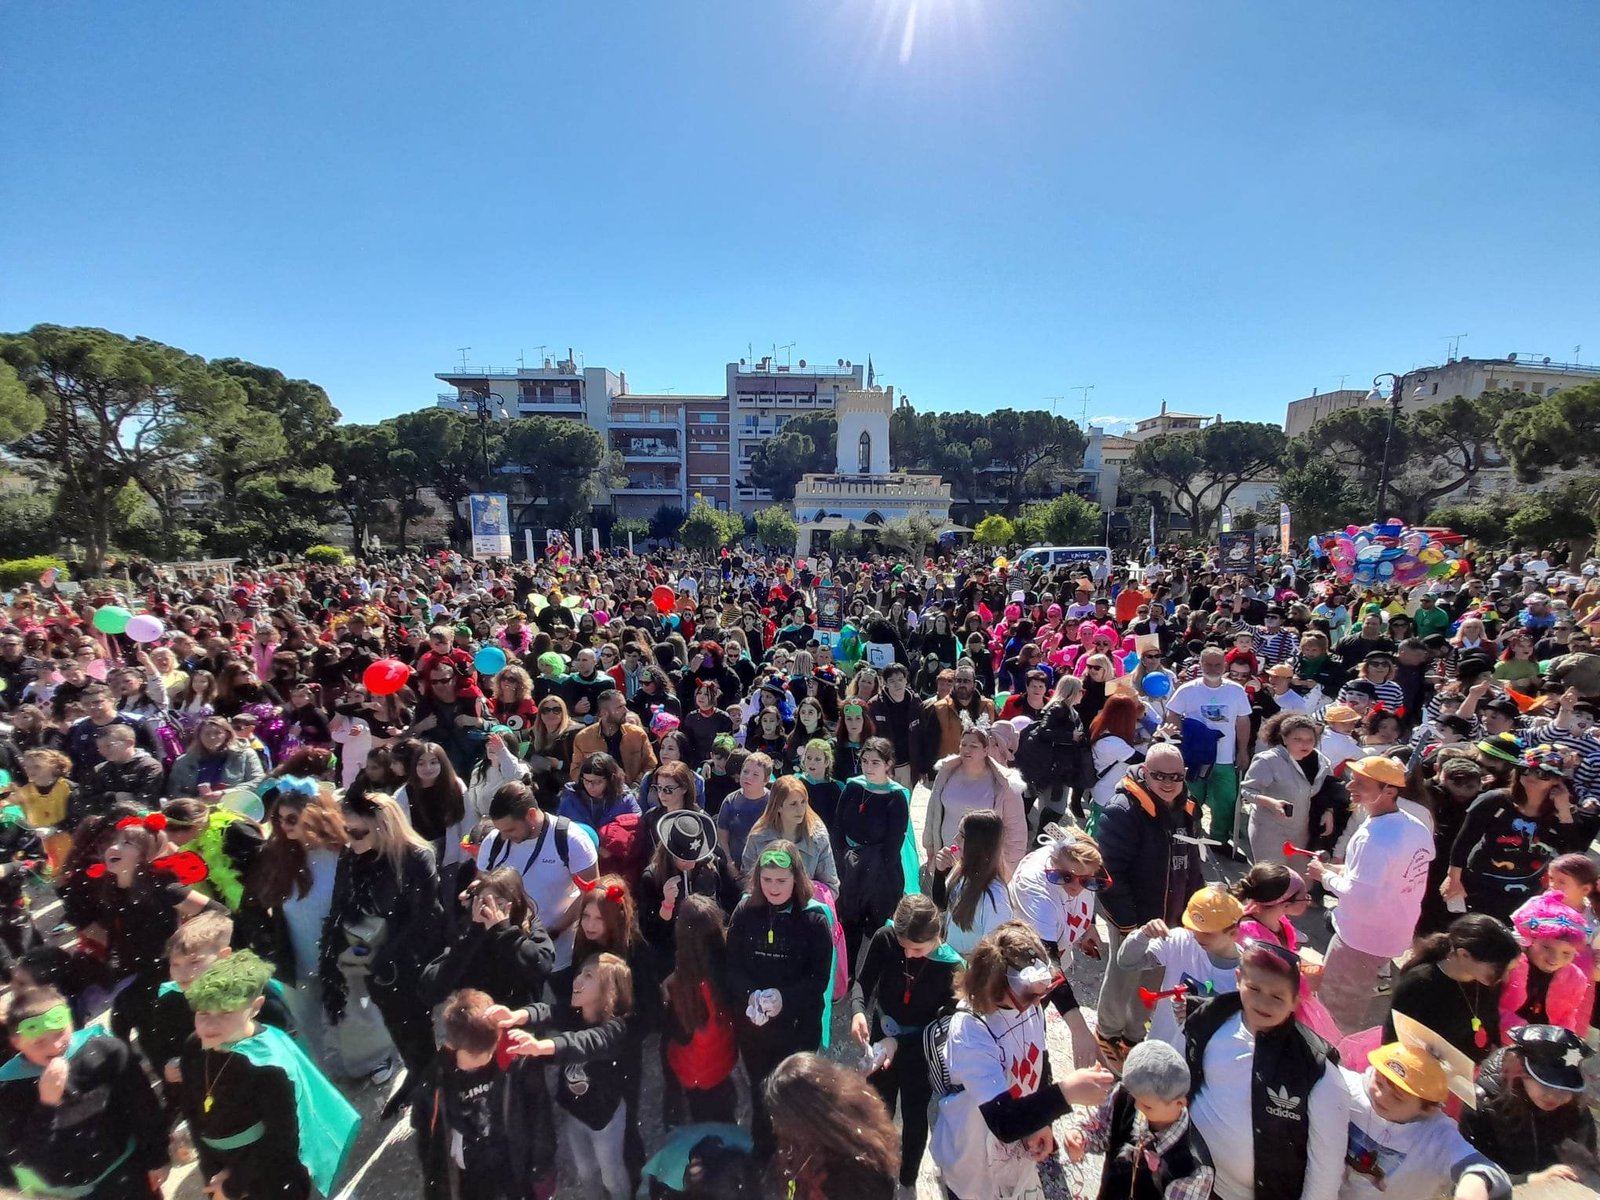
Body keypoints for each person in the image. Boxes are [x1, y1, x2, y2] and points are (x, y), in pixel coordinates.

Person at [928, 921, 1114, 1200]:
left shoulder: (1028, 1005)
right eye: (1030, 994)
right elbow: (1003, 1120)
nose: (1039, 1000)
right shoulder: (971, 1029)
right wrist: (1066, 1093)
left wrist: (1041, 1122)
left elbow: (1039, 1061)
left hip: (1016, 1154)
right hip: (973, 1158)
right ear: (995, 986)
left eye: (1043, 990)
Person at [177, 951, 361, 1200]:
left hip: (269, 1175)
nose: (209, 1026)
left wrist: (233, 1186)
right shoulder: (194, 1046)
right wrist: (212, 1172)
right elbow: (192, 1113)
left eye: (225, 1013)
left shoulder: (268, 1064)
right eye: (203, 1013)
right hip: (219, 1167)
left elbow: (281, 1140)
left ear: (255, 1007)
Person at [1185, 942, 1350, 1200]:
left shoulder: (1316, 1070)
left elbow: (1325, 1168)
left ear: (1295, 1001)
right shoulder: (1208, 1019)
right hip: (1192, 1181)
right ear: (1238, 979)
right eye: (1254, 989)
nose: (1264, 1002)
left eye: (1277, 997)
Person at [318, 790, 444, 1082]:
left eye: (357, 832)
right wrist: (335, 951)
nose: (349, 839)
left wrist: (384, 956)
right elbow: (338, 907)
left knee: (416, 1031)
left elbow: (424, 919)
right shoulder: (351, 856)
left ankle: (430, 1086)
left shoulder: (415, 857)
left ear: (382, 826)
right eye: (345, 831)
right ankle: (418, 1078)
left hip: (410, 962)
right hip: (374, 961)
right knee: (395, 1025)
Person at [1093, 743, 1205, 1068]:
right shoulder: (1122, 810)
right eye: (1159, 776)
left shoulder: (1188, 807)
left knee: (1155, 978)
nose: (1168, 783)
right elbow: (1110, 874)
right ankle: (1107, 1033)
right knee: (1123, 976)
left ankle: (1132, 1036)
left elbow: (1193, 864)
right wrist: (1130, 926)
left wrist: (1196, 912)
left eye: (1175, 777)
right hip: (1133, 917)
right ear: (1144, 772)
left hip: (1170, 915)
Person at [0, 986, 170, 1200]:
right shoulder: (9, 1087)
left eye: (60, 1033)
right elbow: (22, 1156)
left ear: (70, 1022)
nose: (55, 1046)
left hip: (126, 1171)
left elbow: (143, 1108)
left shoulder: (105, 1051)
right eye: (39, 1042)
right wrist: (46, 1105)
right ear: (16, 1043)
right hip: (67, 1193)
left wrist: (157, 1157)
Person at [1306, 755, 1435, 1037]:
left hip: (1360, 938)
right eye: (1352, 779)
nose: (1349, 786)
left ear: (1389, 791)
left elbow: (1359, 897)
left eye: (1361, 783)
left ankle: (1333, 1050)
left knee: (1337, 1008)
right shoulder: (1416, 825)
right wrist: (1339, 869)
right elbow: (1390, 874)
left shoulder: (1373, 838)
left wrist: (1323, 875)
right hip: (1393, 932)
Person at [725, 840, 835, 1153]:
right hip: (755, 1028)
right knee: (761, 1093)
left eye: (781, 881)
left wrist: (783, 998)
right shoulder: (745, 911)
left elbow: (818, 980)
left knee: (793, 1097)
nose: (773, 888)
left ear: (796, 880)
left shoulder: (814, 920)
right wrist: (751, 996)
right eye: (767, 879)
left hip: (798, 1029)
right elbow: (731, 967)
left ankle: (795, 1152)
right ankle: (763, 1150)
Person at [501, 953, 638, 1200]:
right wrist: (516, 1016)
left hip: (605, 1119)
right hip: (574, 1113)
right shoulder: (574, 1013)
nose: (577, 980)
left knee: (612, 1176)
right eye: (580, 972)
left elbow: (583, 1042)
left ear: (608, 990)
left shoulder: (615, 1028)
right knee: (586, 1172)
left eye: (589, 976)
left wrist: (541, 1047)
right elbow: (546, 1010)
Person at [850, 894, 961, 1192]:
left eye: (918, 949)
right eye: (904, 946)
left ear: (936, 937)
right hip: (882, 1037)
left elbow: (946, 1030)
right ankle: (878, 1168)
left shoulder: (951, 968)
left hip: (920, 1050)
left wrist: (898, 1045)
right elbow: (863, 982)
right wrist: (858, 1011)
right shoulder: (885, 939)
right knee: (878, 1107)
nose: (910, 954)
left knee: (914, 1115)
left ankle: (907, 1178)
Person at [410, 988, 556, 1200]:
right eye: (474, 1054)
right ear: (454, 1044)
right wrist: (436, 1186)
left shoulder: (517, 1060)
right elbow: (428, 1138)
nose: (486, 1056)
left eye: (490, 1049)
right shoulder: (437, 1080)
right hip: (470, 1177)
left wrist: (541, 1169)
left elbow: (540, 1115)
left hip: (513, 1166)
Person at [1339, 1028, 1512, 1200]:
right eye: (1379, 1082)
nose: (1380, 1095)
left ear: (1428, 1108)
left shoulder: (1437, 1135)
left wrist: (1474, 1182)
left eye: (1397, 1097)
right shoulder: (1348, 1088)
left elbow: (1482, 1167)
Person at [1443, 743, 1595, 923]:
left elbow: (1572, 853)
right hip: (1480, 883)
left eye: (1542, 773)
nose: (1531, 776)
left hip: (1528, 889)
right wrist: (1453, 878)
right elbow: (1465, 841)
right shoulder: (1494, 800)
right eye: (1526, 770)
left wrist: (1563, 811)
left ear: (1557, 781)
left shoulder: (1561, 813)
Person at [1063, 1040, 1215, 1200]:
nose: (1136, 1106)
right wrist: (1081, 1138)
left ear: (1179, 1103)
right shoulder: (1125, 1096)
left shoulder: (1194, 1170)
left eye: (1147, 1106)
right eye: (1134, 1097)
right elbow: (1100, 1131)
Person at [478, 780, 599, 974]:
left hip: (558, 958)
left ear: (532, 815)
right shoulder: (493, 842)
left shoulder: (571, 839)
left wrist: (554, 931)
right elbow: (481, 886)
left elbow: (591, 894)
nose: (504, 837)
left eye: (510, 830)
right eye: (500, 831)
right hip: (504, 959)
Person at [1460, 1023, 1597, 1182]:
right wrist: (1529, 1179)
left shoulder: (1574, 1107)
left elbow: (1588, 1157)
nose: (1554, 1096)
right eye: (1546, 1085)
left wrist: (1581, 1166)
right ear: (1519, 1072)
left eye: (1565, 1089)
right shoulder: (1483, 1105)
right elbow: (1468, 1170)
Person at [1119, 885, 1245, 1049]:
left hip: (1203, 1063)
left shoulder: (1246, 977)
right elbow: (1127, 962)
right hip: (1160, 1051)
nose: (1197, 936)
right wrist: (1143, 935)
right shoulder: (1180, 940)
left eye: (1207, 932)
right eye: (1193, 928)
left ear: (1233, 932)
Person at [764, 1052, 902, 1200]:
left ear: (804, 1120)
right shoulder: (801, 1146)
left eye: (780, 1119)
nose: (775, 1127)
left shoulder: (856, 1171)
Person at [419, 866, 555, 1011]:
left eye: (499, 904)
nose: (491, 910)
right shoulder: (470, 930)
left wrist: (504, 931)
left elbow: (542, 967)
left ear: (515, 903)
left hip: (518, 1016)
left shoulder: (528, 923)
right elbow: (432, 990)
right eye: (484, 903)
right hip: (476, 1018)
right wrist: (473, 935)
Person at [833, 737, 913, 973]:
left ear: (888, 764)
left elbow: (893, 843)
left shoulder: (896, 797)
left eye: (875, 762)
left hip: (881, 869)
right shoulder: (853, 787)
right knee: (849, 920)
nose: (868, 767)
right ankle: (848, 974)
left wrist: (875, 873)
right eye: (865, 761)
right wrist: (844, 858)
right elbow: (838, 827)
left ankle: (874, 975)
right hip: (851, 865)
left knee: (878, 922)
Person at [660, 894, 740, 1124]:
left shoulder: (681, 989)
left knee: (704, 1121)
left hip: (694, 1073)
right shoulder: (727, 969)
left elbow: (678, 1036)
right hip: (723, 1062)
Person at [1163, 646, 1252, 848]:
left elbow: (1242, 721)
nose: (1213, 668)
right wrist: (1177, 739)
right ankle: (1190, 836)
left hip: (1225, 758)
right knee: (1191, 799)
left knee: (1226, 800)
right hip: (1196, 757)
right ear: (1201, 665)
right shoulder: (1187, 690)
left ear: (1225, 665)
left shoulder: (1236, 690)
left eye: (1217, 664)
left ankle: (1219, 840)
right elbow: (1172, 713)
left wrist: (1243, 750)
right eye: (1208, 664)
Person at [923, 727, 1028, 873]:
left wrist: (1006, 870)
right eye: (963, 744)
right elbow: (933, 810)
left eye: (973, 746)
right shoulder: (946, 772)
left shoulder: (1005, 783)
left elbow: (1016, 832)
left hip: (981, 866)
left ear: (986, 750)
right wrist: (930, 848)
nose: (967, 750)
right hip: (945, 859)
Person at [1240, 712, 1335, 866]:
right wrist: (1271, 803)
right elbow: (1247, 790)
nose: (1304, 744)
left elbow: (1328, 790)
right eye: (1298, 739)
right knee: (1273, 876)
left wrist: (1328, 811)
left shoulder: (1322, 762)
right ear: (1284, 739)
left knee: (1300, 877)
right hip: (1269, 831)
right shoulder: (1268, 760)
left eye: (1310, 740)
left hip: (1303, 833)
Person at [1498, 891, 1590, 1037]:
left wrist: (1563, 1039)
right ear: (1529, 940)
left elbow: (1566, 1016)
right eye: (1547, 948)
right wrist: (1525, 1034)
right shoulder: (1509, 966)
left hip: (1544, 1044)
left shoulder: (1574, 978)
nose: (1555, 959)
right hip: (1501, 1039)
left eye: (1566, 953)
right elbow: (1491, 1008)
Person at [930, 809, 1015, 959]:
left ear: (978, 844)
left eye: (962, 836)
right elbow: (941, 904)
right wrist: (940, 872)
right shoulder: (962, 870)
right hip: (950, 959)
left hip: (967, 967)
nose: (955, 839)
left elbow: (995, 953)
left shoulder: (995, 899)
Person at [741, 775, 838, 890]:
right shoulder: (758, 837)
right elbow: (748, 882)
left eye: (803, 802)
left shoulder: (818, 837)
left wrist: (804, 895)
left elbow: (831, 886)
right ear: (778, 807)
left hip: (807, 899)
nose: (800, 810)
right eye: (793, 804)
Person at [570, 688, 657, 785]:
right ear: (604, 713)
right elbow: (575, 771)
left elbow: (651, 764)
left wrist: (636, 785)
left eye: (624, 705)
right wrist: (592, 786)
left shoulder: (637, 734)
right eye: (620, 707)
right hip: (597, 792)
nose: (626, 710)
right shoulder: (583, 738)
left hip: (632, 789)